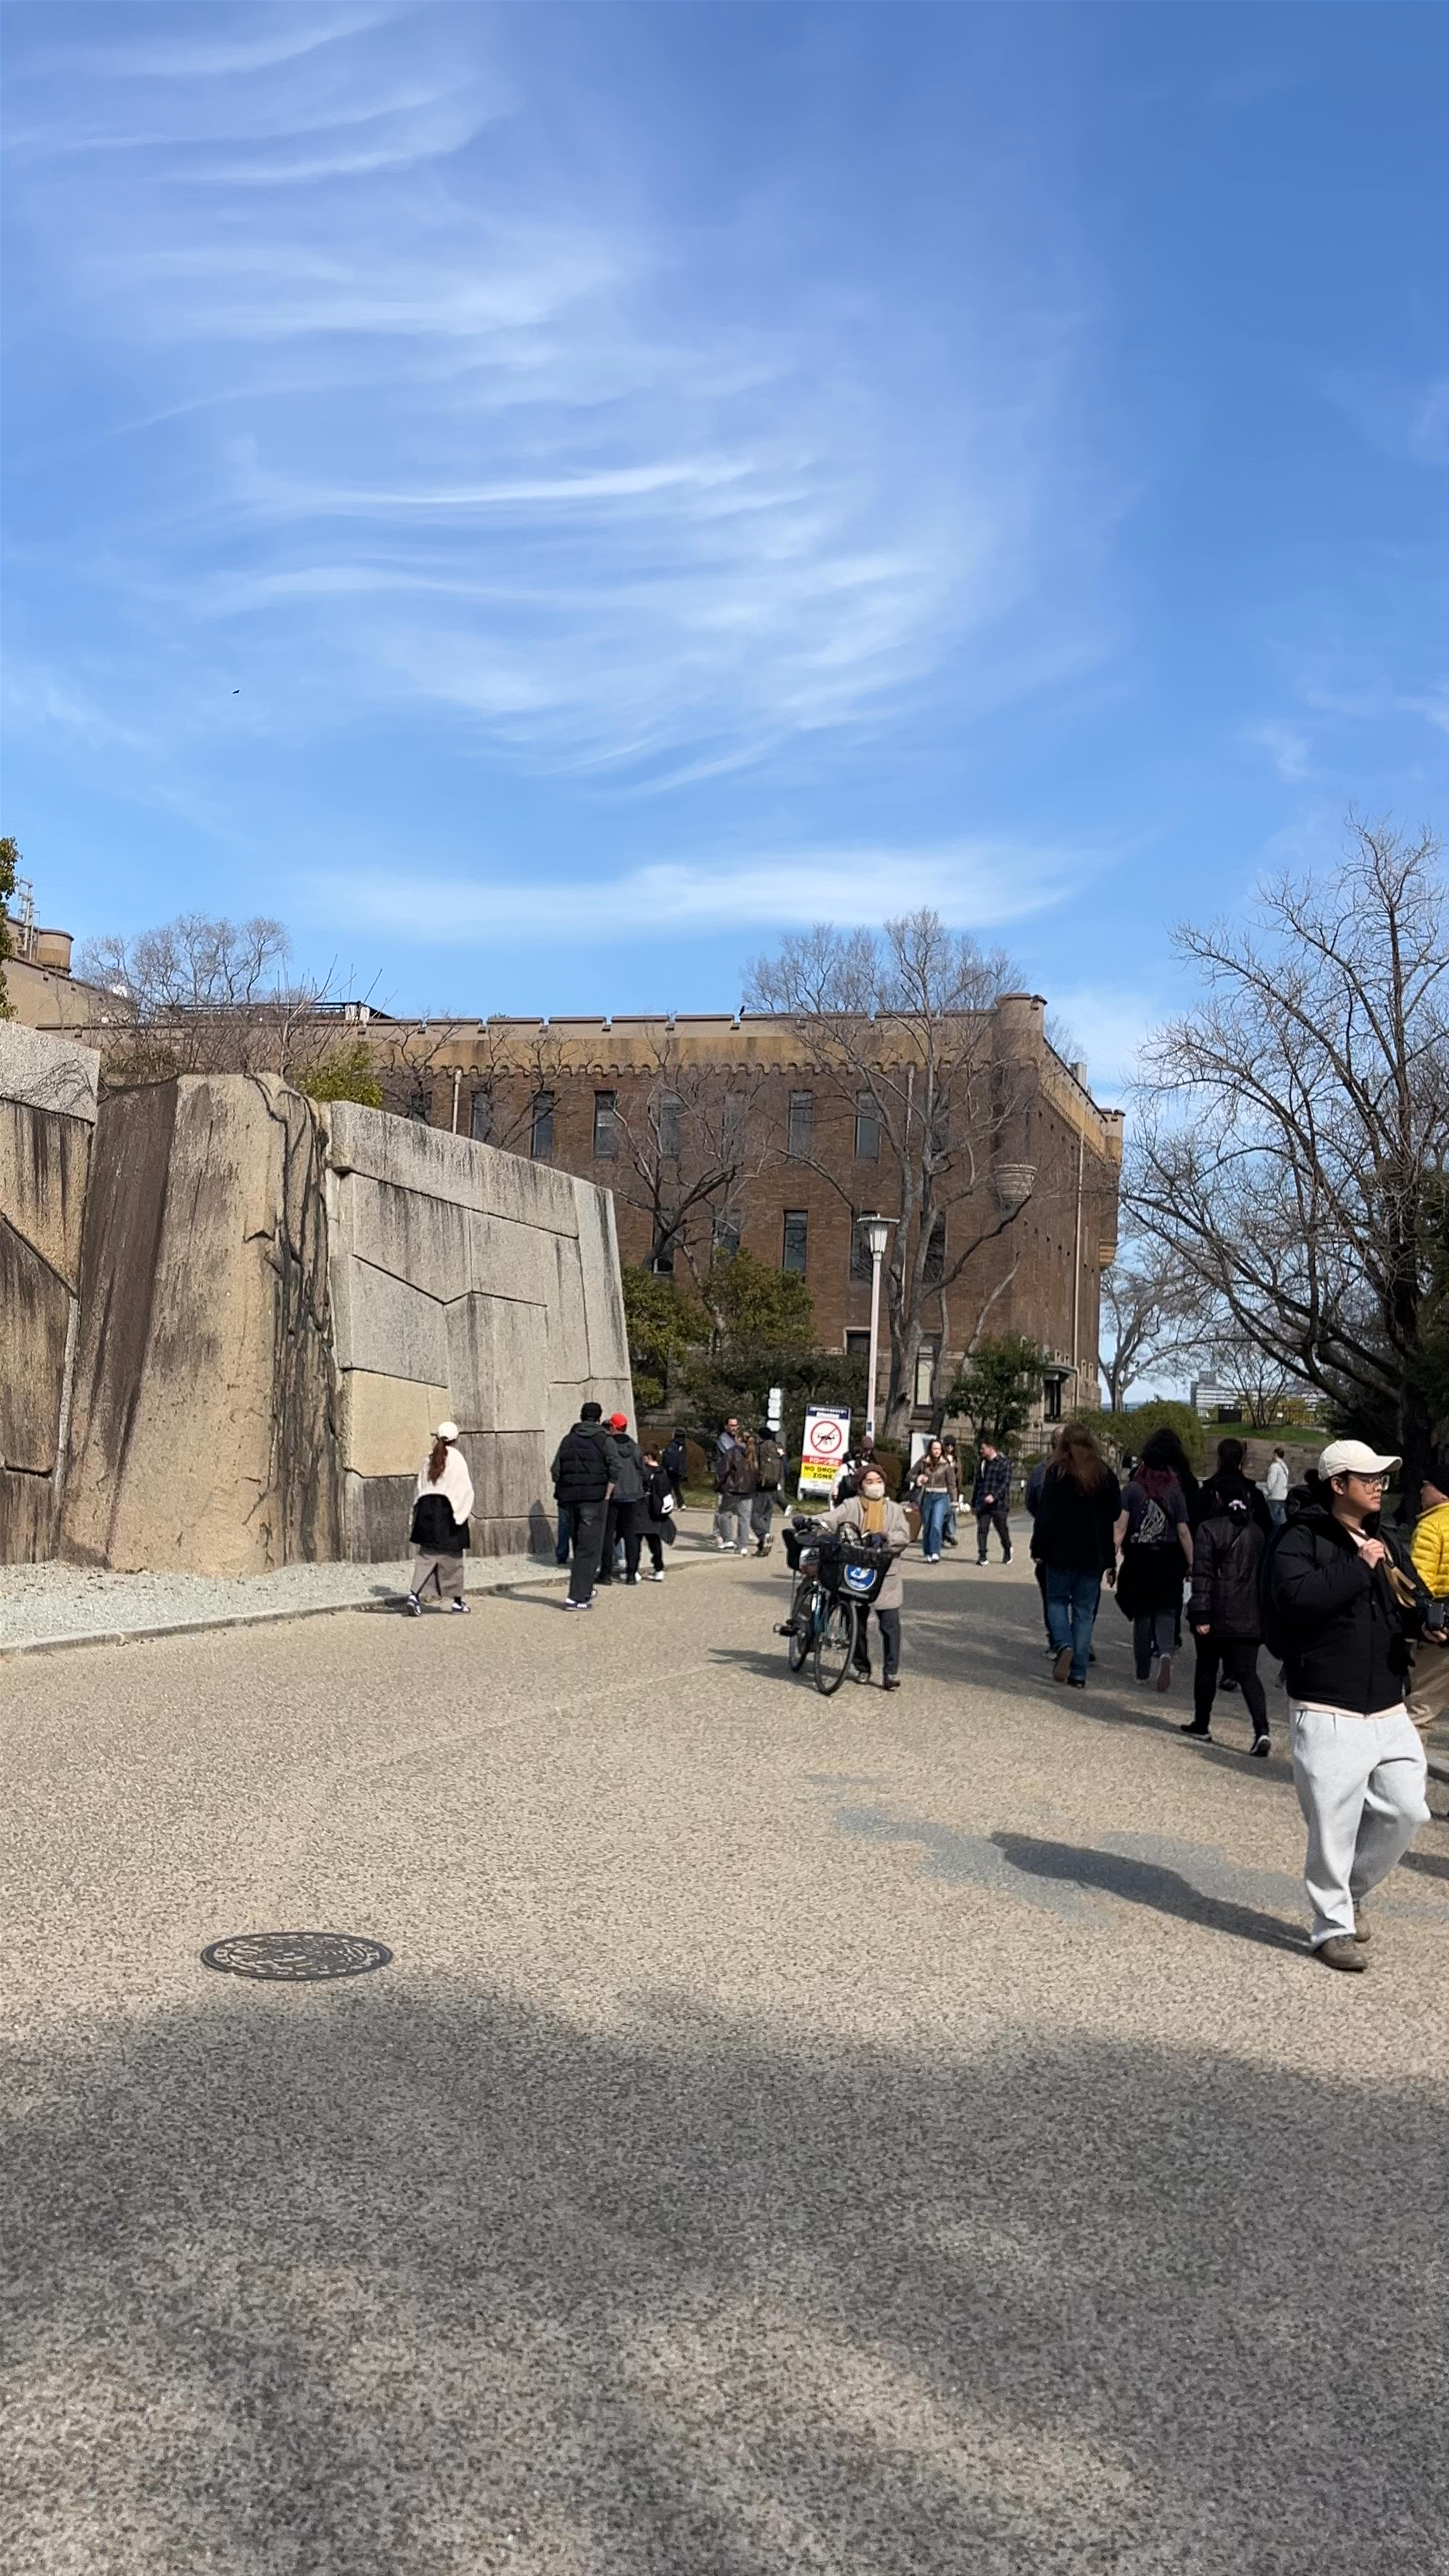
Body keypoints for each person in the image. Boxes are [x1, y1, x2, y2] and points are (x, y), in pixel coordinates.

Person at [1266, 1438, 1442, 1971]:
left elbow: (1403, 1599)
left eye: (1383, 1479)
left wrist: (1425, 1623)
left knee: (1408, 1808)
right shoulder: (1299, 1537)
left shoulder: (1385, 1537)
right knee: (1333, 1823)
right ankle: (1332, 1926)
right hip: (1326, 1703)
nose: (1379, 1487)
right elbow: (1295, 1601)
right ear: (1338, 1484)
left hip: (1388, 1701)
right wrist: (1358, 1566)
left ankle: (1351, 1890)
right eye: (1369, 1478)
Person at [1030, 1422, 1121, 1688]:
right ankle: (1079, 1673)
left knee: (1056, 1601)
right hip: (1093, 1551)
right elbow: (1115, 1512)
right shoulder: (1104, 1474)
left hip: (1060, 1550)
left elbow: (1044, 1516)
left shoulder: (1056, 1473)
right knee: (1083, 1611)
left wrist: (1038, 1547)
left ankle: (1064, 1644)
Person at [1182, 1494, 1270, 1752]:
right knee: (1248, 1674)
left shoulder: (1208, 1529)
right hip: (1248, 1613)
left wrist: (1200, 1613)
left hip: (1217, 1609)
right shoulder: (1258, 1533)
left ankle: (1202, 1723)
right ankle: (1262, 1730)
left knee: (1207, 1668)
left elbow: (1203, 1574)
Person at [816, 1463, 912, 1690]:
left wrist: (886, 1536)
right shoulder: (852, 1506)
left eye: (879, 1481)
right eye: (870, 1481)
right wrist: (812, 1520)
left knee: (890, 1625)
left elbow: (904, 1536)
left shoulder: (895, 1510)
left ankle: (890, 1672)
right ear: (860, 1486)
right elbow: (831, 1518)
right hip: (856, 1573)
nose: (875, 1486)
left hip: (886, 1575)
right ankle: (862, 1667)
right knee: (856, 1623)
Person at [1114, 1430, 1195, 1689]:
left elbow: (1121, 1527)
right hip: (1169, 1557)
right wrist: (1192, 1561)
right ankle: (1165, 1654)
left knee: (1142, 1615)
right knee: (1166, 1610)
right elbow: (1183, 1531)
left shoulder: (1132, 1490)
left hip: (1139, 1557)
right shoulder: (1175, 1492)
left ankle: (1141, 1671)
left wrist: (1111, 1555)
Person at [550, 1401, 621, 1609]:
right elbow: (615, 1468)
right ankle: (577, 1597)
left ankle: (586, 1588)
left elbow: (556, 1471)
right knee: (589, 1549)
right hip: (594, 1498)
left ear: (581, 1417)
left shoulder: (568, 1440)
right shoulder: (604, 1440)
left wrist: (567, 1487)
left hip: (570, 1499)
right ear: (600, 1418)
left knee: (578, 1543)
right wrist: (607, 1493)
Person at [406, 1421, 474, 1616]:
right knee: (453, 1556)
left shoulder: (428, 1459)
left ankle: (414, 1595)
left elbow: (419, 1487)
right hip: (449, 1510)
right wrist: (462, 1514)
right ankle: (457, 1601)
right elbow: (465, 1489)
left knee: (427, 1555)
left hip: (428, 1510)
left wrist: (415, 1515)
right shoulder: (458, 1459)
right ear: (456, 1439)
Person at [1406, 1455, 1449, 1741]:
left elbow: (1420, 1584)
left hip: (1439, 1633)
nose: (1422, 1491)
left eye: (1427, 1485)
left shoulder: (1432, 1527)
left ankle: (1406, 1781)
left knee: (1418, 1713)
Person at [596, 1412, 648, 1585]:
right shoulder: (634, 1446)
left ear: (614, 1427)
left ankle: (606, 1573)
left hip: (614, 1494)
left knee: (608, 1535)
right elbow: (642, 1468)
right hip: (634, 1495)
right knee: (632, 1536)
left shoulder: (608, 1444)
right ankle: (632, 1573)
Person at [1025, 1438, 1060, 1649]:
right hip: (1085, 1543)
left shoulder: (1042, 1471)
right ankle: (1081, 1644)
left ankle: (1059, 1641)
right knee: (1083, 1600)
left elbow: (1031, 1503)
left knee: (1053, 1595)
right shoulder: (1093, 1469)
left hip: (1050, 1540)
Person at [1198, 1436, 1273, 1535]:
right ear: (1242, 1459)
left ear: (1219, 1459)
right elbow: (1266, 1527)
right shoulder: (1253, 1492)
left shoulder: (1207, 1491)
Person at [911, 1438, 957, 1562]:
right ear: (930, 1450)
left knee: (937, 1525)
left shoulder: (946, 1464)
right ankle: (928, 1552)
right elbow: (910, 1475)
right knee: (928, 1526)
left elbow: (952, 1484)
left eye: (938, 1449)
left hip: (941, 1497)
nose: (937, 1451)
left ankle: (936, 1552)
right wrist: (919, 1478)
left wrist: (954, 1500)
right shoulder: (923, 1462)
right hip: (926, 1497)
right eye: (934, 1449)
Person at [637, 1447, 677, 1581]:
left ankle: (634, 1570)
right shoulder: (663, 1472)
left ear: (648, 1457)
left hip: (644, 1508)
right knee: (655, 1541)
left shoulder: (644, 1471)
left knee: (636, 1541)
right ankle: (659, 1569)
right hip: (657, 1510)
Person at [971, 1441, 1013, 1563]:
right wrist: (974, 1503)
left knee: (1001, 1528)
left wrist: (994, 1496)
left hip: (999, 1504)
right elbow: (978, 1484)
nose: (981, 1451)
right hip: (983, 1503)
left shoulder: (1004, 1463)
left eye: (983, 1449)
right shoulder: (982, 1465)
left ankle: (1007, 1549)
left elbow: (1005, 1484)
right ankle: (982, 1555)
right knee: (982, 1529)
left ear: (991, 1448)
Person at [715, 1429, 757, 1555]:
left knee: (724, 1513)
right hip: (749, 1490)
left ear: (738, 1439)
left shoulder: (732, 1453)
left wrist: (719, 1485)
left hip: (733, 1488)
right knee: (744, 1518)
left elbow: (724, 1471)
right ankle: (743, 1545)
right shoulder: (753, 1453)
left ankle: (728, 1539)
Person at [751, 1424, 784, 1555]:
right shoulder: (779, 1448)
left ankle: (764, 1536)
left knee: (754, 1515)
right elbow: (784, 1467)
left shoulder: (760, 1448)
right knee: (767, 1514)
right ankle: (763, 1546)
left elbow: (754, 1466)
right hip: (775, 1484)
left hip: (761, 1485)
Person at [940, 1437, 961, 1547]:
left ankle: (950, 1534)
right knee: (944, 1514)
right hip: (943, 1489)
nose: (950, 1448)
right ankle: (944, 1535)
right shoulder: (942, 1458)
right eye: (948, 1446)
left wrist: (954, 1466)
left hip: (953, 1489)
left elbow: (959, 1476)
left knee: (951, 1513)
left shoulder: (956, 1459)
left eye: (952, 1446)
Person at [1263, 1445, 1291, 1527]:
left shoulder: (1275, 1466)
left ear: (1275, 1454)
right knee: (1281, 1522)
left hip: (1274, 1497)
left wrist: (1266, 1493)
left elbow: (1271, 1482)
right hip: (1283, 1497)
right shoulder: (1285, 1467)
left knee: (1271, 1521)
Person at [661, 1430, 689, 1509]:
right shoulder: (684, 1446)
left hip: (670, 1470)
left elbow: (668, 1457)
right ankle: (681, 1504)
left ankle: (669, 1504)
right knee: (677, 1488)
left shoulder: (672, 1445)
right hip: (679, 1470)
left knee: (668, 1488)